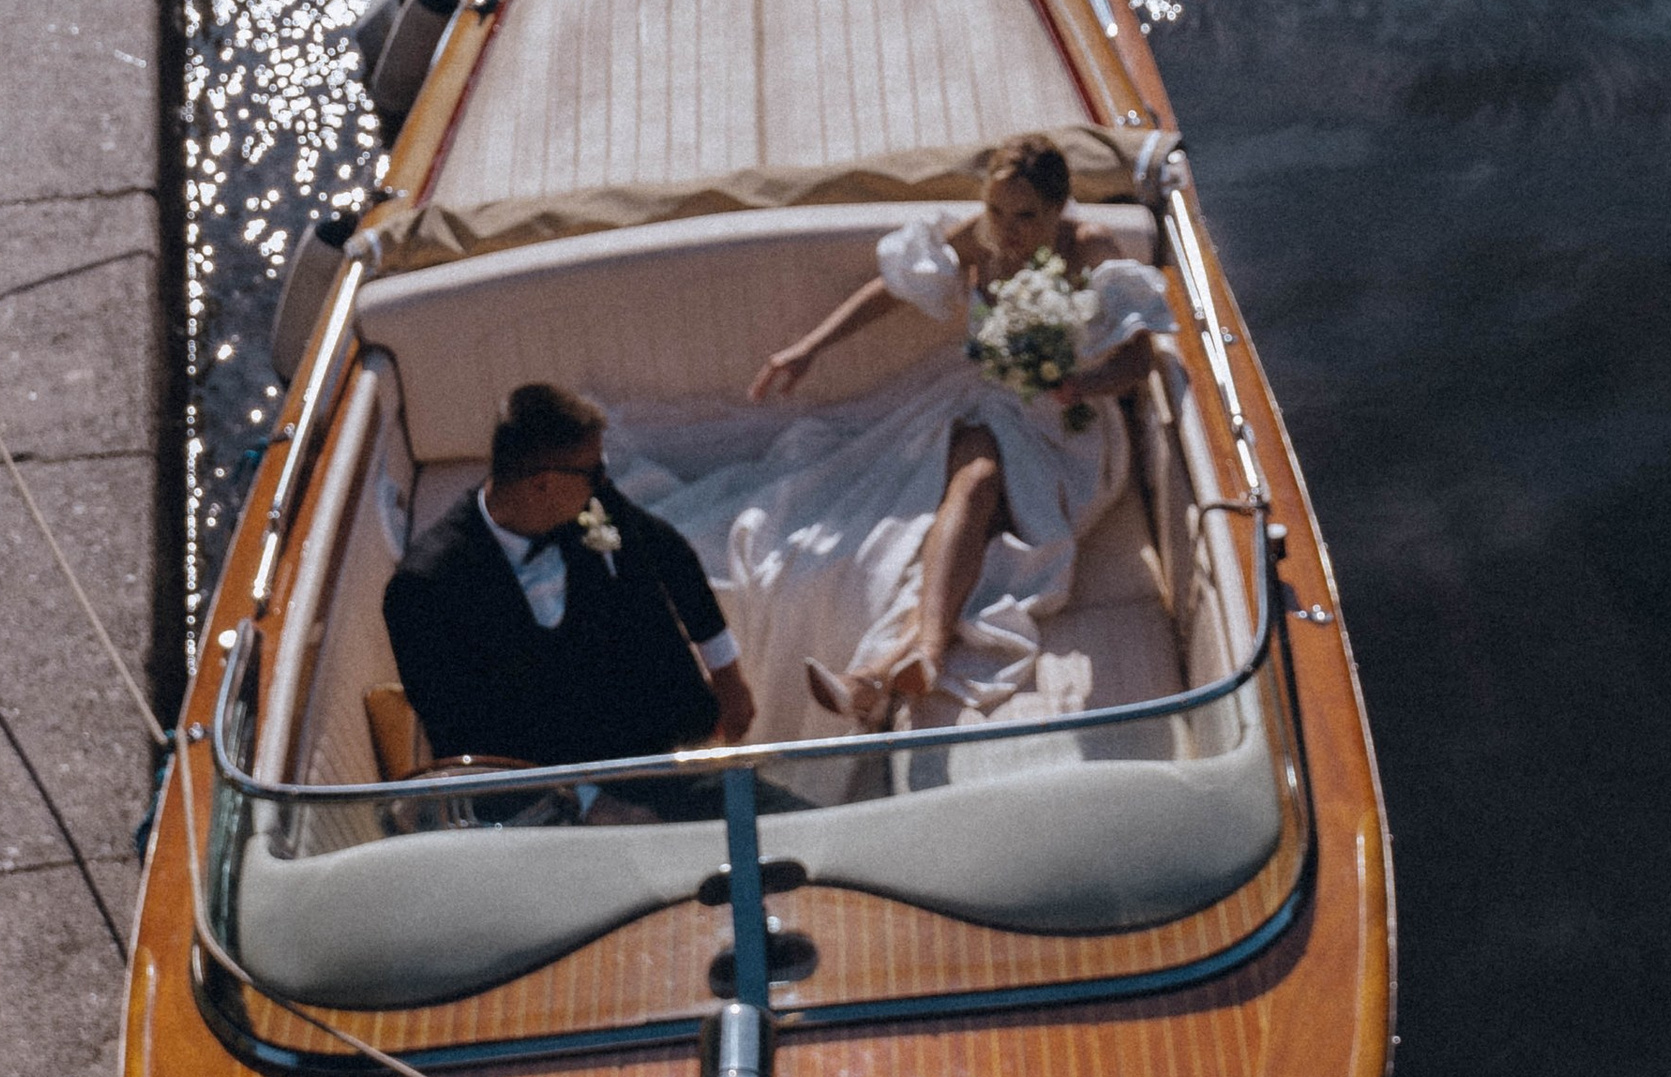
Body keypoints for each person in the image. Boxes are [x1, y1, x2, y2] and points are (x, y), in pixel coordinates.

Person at [744, 133, 1168, 726]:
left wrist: (1078, 384)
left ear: (1058, 209)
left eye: (1025, 216)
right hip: (984, 403)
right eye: (997, 210)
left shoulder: (1089, 247)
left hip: (1064, 426)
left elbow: (1138, 361)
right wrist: (809, 348)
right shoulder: (980, 235)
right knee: (976, 482)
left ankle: (879, 673)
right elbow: (891, 291)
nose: (1006, 229)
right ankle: (917, 656)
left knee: (979, 520)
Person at [384, 378, 754, 774]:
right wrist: (585, 798)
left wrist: (726, 675)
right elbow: (461, 734)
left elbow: (670, 553)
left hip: (655, 747)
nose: (604, 482)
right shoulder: (424, 591)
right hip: (540, 788)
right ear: (542, 484)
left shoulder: (591, 502)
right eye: (594, 473)